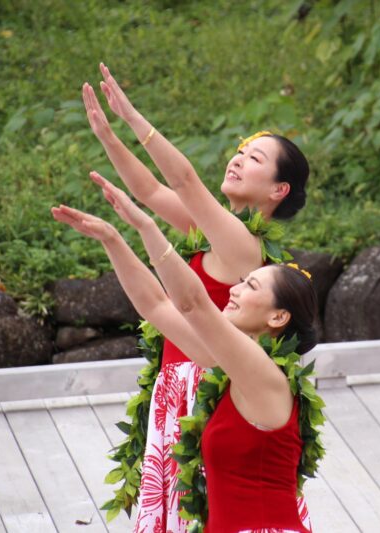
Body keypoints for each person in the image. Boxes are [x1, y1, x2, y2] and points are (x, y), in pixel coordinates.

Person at [83, 63, 312, 531]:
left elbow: (185, 181)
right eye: (240, 150)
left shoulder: (245, 247)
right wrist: (107, 135)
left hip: (202, 382)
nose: (238, 158)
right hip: (173, 380)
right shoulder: (206, 233)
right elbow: (148, 189)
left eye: (255, 158)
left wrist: (132, 118)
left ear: (278, 189)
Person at [51, 181, 319, 533]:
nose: (234, 290)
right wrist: (112, 239)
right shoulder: (227, 368)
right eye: (242, 281)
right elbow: (157, 305)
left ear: (278, 318)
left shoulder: (266, 377)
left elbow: (192, 303)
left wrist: (146, 226)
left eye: (251, 286)